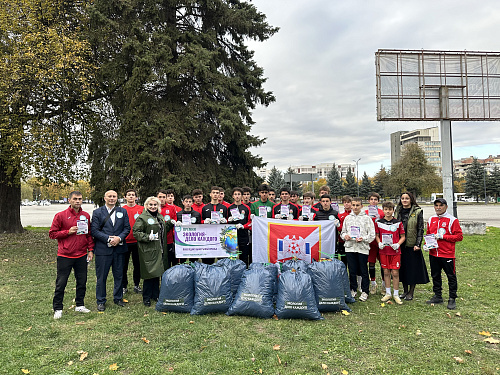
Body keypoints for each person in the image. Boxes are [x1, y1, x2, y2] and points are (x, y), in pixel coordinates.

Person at [49, 191, 94, 319]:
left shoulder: (85, 216)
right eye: (75, 199)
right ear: (69, 200)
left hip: (81, 255)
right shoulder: (61, 215)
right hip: (65, 255)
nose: (78, 201)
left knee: (82, 281)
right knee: (61, 283)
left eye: (80, 199)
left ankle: (80, 304)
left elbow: (89, 234)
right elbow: (52, 234)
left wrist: (90, 250)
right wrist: (67, 232)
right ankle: (58, 308)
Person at [91, 190, 130, 311]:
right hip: (103, 250)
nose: (112, 198)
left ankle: (118, 297)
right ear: (105, 198)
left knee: (119, 275)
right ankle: (101, 300)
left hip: (119, 249)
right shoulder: (97, 212)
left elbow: (127, 228)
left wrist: (119, 238)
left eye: (114, 196)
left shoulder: (122, 211)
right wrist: (108, 239)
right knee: (101, 276)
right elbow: (94, 230)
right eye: (110, 196)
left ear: (117, 198)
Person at [425, 198, 463, 310]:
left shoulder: (452, 220)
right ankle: (438, 296)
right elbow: (428, 234)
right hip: (434, 254)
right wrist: (427, 245)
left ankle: (452, 298)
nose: (438, 207)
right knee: (435, 275)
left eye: (440, 205)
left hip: (447, 254)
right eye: (436, 205)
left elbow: (459, 237)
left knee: (451, 276)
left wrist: (443, 237)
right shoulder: (431, 219)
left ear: (445, 207)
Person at [394, 191, 429, 301]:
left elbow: (420, 229)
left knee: (412, 268)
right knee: (402, 268)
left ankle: (411, 292)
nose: (404, 200)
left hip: (412, 244)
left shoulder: (417, 211)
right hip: (399, 243)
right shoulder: (397, 210)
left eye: (407, 198)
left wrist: (418, 243)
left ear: (411, 200)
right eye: (402, 198)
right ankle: (404, 290)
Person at [132, 197, 166, 306]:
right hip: (148, 249)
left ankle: (155, 295)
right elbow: (136, 232)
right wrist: (147, 237)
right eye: (150, 205)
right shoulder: (142, 218)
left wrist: (171, 223)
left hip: (159, 248)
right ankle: (146, 297)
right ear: (146, 206)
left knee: (157, 273)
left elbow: (162, 229)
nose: (153, 207)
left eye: (155, 205)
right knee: (149, 273)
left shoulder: (159, 216)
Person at [340, 197, 375, 302]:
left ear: (361, 206)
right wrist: (345, 236)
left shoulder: (367, 218)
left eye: (357, 205)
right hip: (350, 247)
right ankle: (353, 289)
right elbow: (343, 232)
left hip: (362, 248)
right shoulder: (348, 218)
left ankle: (365, 291)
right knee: (352, 270)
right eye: (353, 205)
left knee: (363, 270)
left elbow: (372, 235)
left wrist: (363, 239)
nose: (355, 207)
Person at [376, 201, 406, 305]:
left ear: (393, 211)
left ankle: (396, 294)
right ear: (383, 210)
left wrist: (398, 244)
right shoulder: (379, 222)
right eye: (386, 209)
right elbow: (377, 235)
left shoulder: (398, 223)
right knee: (386, 272)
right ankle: (388, 293)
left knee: (395, 273)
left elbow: (403, 236)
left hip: (395, 252)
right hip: (384, 251)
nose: (388, 211)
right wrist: (379, 242)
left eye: (390, 209)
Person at [122, 189, 143, 295]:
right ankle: (124, 286)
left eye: (133, 195)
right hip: (124, 241)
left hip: (137, 242)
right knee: (123, 265)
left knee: (137, 265)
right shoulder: (121, 209)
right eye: (129, 195)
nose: (131, 197)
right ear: (125, 197)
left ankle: (136, 284)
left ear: (136, 197)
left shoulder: (142, 209)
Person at [365, 192, 384, 294]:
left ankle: (385, 285)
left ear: (378, 201)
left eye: (375, 199)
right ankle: (373, 283)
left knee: (383, 263)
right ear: (368, 201)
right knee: (371, 263)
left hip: (381, 241)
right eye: (371, 199)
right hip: (370, 242)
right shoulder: (365, 212)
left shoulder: (382, 212)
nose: (373, 201)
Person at [228, 187, 252, 265]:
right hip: (232, 235)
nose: (237, 196)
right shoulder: (229, 208)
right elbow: (225, 222)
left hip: (243, 234)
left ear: (242, 196)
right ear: (233, 196)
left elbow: (250, 222)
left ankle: (244, 272)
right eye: (235, 194)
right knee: (232, 256)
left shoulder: (246, 208)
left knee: (244, 255)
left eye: (239, 194)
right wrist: (228, 220)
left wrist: (243, 226)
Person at [157, 190, 176, 269]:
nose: (162, 199)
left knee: (169, 261)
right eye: (160, 197)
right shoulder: (154, 208)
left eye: (164, 197)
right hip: (157, 240)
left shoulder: (171, 208)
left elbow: (175, 221)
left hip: (169, 239)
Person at [336, 195, 353, 267]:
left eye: (348, 202)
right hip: (342, 241)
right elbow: (341, 229)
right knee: (343, 260)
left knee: (352, 261)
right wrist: (338, 226)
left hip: (352, 241)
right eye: (345, 202)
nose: (346, 204)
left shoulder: (354, 215)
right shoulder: (340, 215)